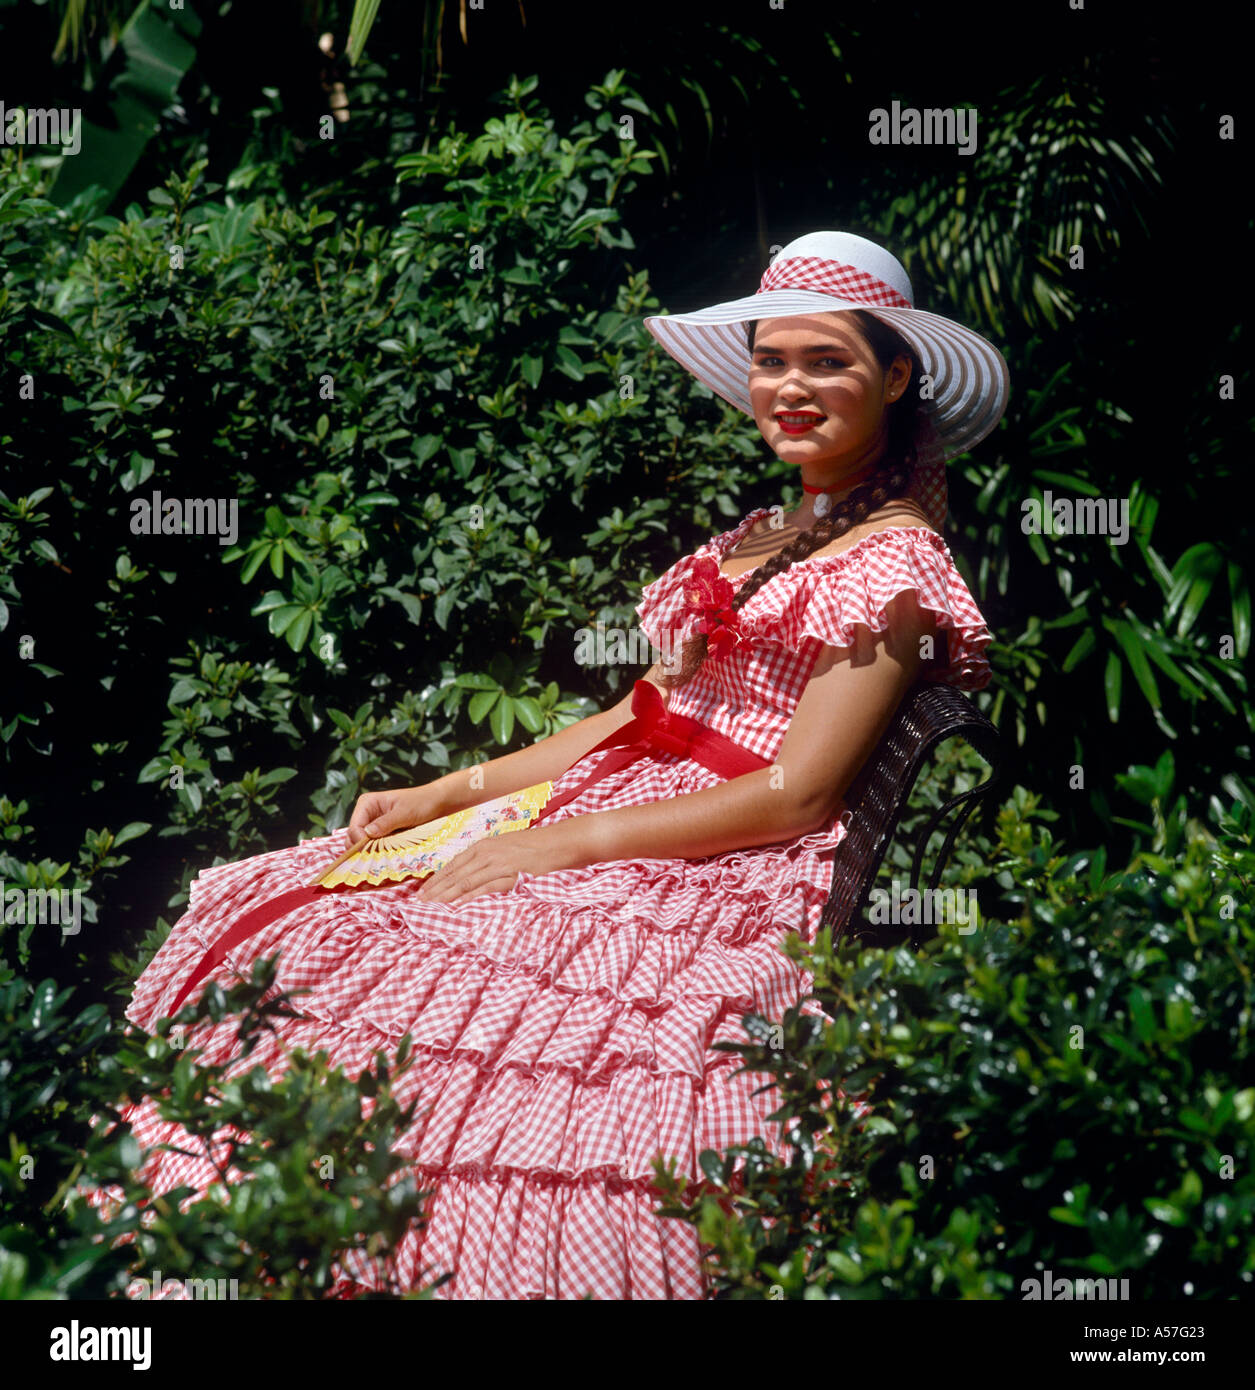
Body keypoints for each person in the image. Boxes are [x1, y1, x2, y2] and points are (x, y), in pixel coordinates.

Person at [84, 230, 1009, 1300]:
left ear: (894, 375)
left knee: (445, 969)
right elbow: (634, 716)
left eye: (826, 362)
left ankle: (406, 1255)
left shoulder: (891, 563)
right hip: (627, 796)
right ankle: (220, 1249)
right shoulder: (760, 534)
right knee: (313, 905)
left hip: (723, 854)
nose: (790, 388)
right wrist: (455, 790)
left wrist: (551, 844)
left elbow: (796, 796)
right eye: (771, 359)